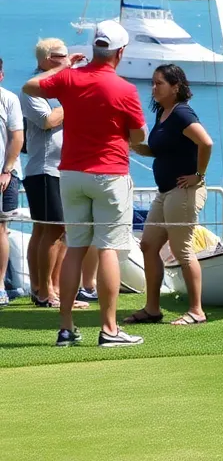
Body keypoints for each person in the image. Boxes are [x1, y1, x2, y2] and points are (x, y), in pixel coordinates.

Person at [22, 20, 146, 347]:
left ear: (94, 48)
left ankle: (66, 328)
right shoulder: (125, 89)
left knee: (75, 247)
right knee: (108, 249)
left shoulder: (69, 78)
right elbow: (138, 136)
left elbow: (30, 86)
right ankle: (109, 329)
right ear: (120, 52)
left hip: (71, 174)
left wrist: (62, 68)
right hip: (110, 174)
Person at [126, 64, 213, 326]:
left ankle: (196, 311)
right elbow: (162, 149)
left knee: (182, 250)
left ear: (175, 87)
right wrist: (136, 146)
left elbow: (206, 142)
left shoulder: (182, 113)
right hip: (165, 192)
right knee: (148, 244)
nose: (153, 88)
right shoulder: (163, 113)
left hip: (183, 191)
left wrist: (198, 175)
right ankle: (152, 309)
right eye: (153, 83)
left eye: (159, 83)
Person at [20, 40, 85, 309]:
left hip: (61, 168)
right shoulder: (34, 89)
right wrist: (73, 103)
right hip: (44, 168)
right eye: (62, 56)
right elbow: (48, 121)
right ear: (48, 58)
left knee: (51, 229)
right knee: (53, 228)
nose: (68, 59)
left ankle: (48, 289)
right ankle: (46, 291)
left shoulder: (59, 87)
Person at [0, 57, 25, 307]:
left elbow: (17, 137)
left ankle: (1, 287)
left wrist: (7, 170)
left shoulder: (8, 99)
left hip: (5, 174)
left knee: (0, 229)